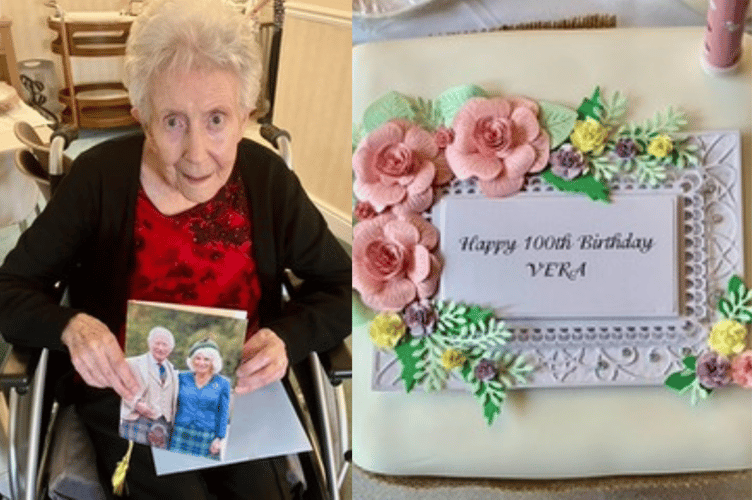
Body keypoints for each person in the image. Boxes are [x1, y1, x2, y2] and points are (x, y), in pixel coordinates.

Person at [0, 0, 351, 498]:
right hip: (129, 390)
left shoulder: (267, 180)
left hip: (239, 389)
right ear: (141, 116)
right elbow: (10, 288)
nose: (196, 153)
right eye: (173, 122)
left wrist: (285, 339)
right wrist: (71, 326)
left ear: (245, 116)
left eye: (216, 119)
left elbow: (342, 288)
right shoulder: (99, 179)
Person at [170, 339, 231, 459]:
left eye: (206, 359)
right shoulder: (181, 377)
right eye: (198, 358)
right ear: (192, 360)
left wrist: (219, 438)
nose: (201, 362)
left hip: (206, 436)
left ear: (214, 362)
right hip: (179, 432)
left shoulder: (223, 383)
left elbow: (223, 413)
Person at [120, 326, 179, 449]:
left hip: (163, 426)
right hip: (136, 421)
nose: (160, 348)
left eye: (165, 345)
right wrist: (136, 404)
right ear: (149, 343)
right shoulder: (131, 363)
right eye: (157, 343)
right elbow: (119, 387)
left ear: (171, 349)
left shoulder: (174, 371)